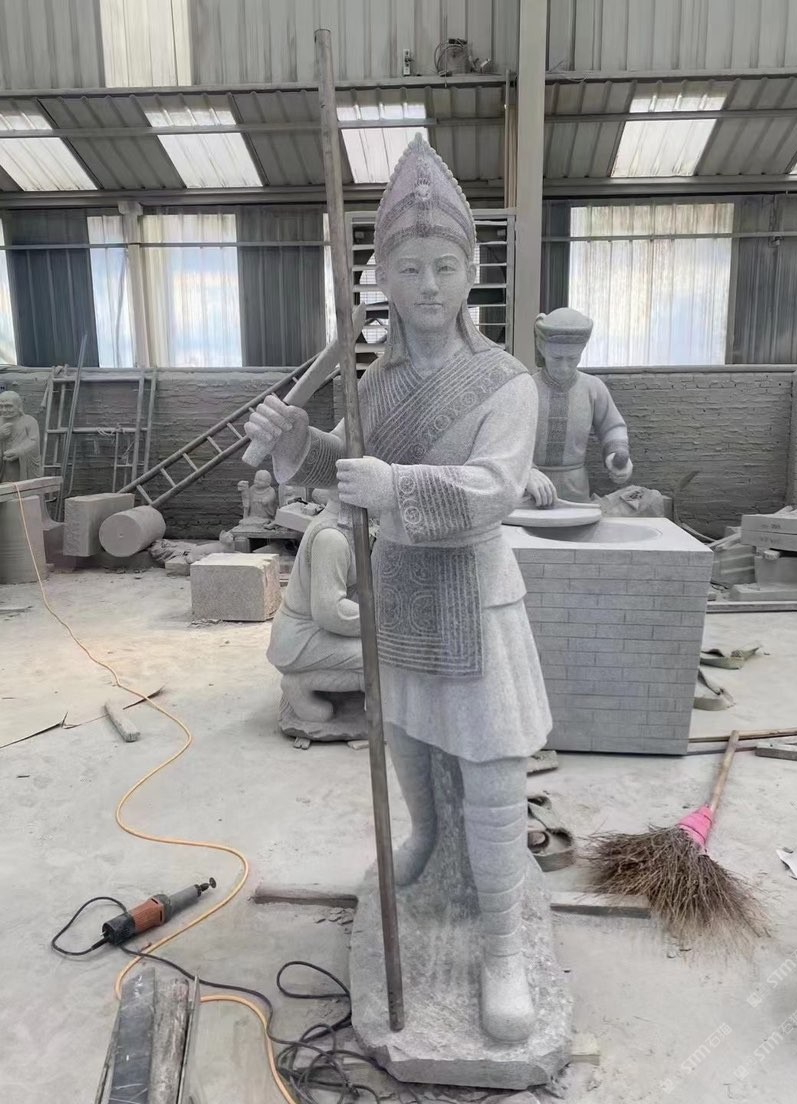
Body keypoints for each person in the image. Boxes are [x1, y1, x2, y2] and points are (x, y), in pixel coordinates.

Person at [245, 136, 550, 1043]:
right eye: (408, 267)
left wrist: (397, 486)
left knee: (492, 768)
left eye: (444, 266)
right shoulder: (373, 383)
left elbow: (494, 489)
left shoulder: (506, 383)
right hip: (400, 585)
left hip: (474, 593)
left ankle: (501, 948)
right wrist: (298, 445)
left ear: (471, 272)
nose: (427, 284)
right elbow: (350, 467)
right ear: (382, 276)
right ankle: (424, 840)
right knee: (407, 737)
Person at [266, 488, 363, 723]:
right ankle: (299, 685)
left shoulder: (347, 527)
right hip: (301, 639)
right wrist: (385, 623)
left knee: (389, 650)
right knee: (386, 657)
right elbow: (330, 612)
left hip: (313, 631)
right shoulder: (332, 538)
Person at [526, 308, 632, 506]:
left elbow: (612, 426)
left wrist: (616, 454)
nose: (564, 367)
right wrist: (526, 470)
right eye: (557, 358)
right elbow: (509, 439)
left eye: (572, 358)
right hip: (531, 488)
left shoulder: (593, 388)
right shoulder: (526, 388)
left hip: (576, 487)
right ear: (541, 347)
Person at [0, 391, 42, 483]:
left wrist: (19, 451)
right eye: (1, 406)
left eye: (8, 406)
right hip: (3, 466)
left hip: (21, 466)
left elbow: (34, 441)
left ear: (19, 406)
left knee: (22, 487)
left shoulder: (30, 421)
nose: (4, 410)